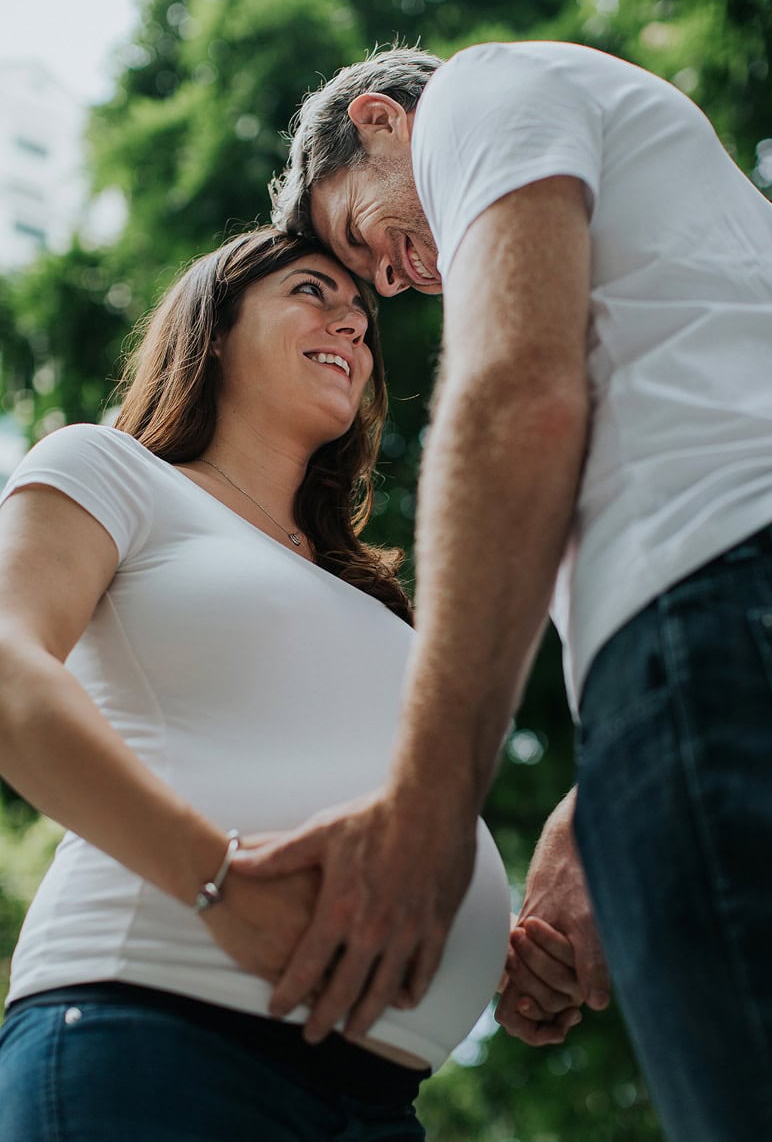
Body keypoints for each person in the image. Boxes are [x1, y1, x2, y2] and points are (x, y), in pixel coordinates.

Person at [244, 41, 772, 1141]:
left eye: (356, 238)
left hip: (723, 642)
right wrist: (592, 804)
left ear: (381, 120)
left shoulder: (484, 89)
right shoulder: (725, 231)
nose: (390, 283)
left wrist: (425, 816)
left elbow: (517, 398)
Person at [0, 225, 517, 1142]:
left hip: (378, 1101)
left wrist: (482, 939)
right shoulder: (112, 470)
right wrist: (216, 884)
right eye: (313, 292)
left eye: (362, 315)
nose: (352, 323)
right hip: (157, 1037)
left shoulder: (375, 600)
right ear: (213, 327)